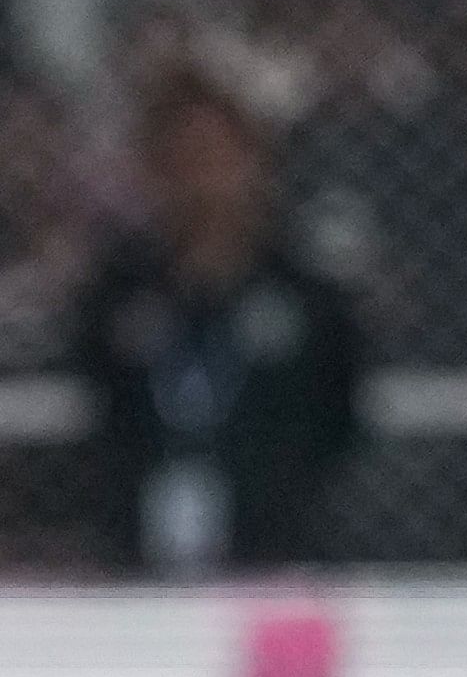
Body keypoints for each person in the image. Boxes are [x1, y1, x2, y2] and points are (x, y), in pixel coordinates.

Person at [68, 66, 364, 572]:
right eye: (182, 160)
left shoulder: (305, 291)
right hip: (142, 537)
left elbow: (340, 408)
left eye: (216, 156)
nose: (202, 179)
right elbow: (99, 399)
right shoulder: (120, 289)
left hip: (276, 538)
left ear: (255, 163)